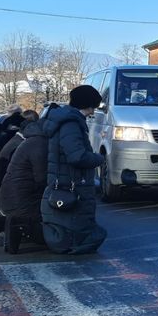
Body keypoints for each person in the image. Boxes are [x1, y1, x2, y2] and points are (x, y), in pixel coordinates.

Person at [39, 86, 108, 254]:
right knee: (78, 219)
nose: (93, 112)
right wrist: (99, 158)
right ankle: (74, 244)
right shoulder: (71, 124)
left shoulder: (64, 120)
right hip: (73, 180)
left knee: (69, 219)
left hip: (64, 179)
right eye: (93, 107)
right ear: (88, 105)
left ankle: (71, 242)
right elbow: (76, 156)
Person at [0, 119, 48, 250]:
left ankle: (2, 223)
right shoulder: (39, 145)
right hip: (21, 199)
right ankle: (13, 227)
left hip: (8, 195)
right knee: (44, 229)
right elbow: (41, 178)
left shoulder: (27, 142)